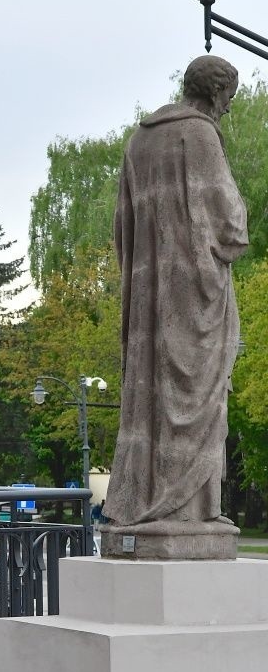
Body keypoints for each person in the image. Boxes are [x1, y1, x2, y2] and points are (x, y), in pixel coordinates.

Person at [104, 56, 248, 529]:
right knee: (198, 396)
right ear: (214, 93)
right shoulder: (200, 134)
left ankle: (150, 500)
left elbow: (121, 228)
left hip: (148, 296)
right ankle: (192, 510)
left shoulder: (139, 140)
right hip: (193, 295)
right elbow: (229, 226)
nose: (227, 107)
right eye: (227, 97)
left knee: (151, 399)